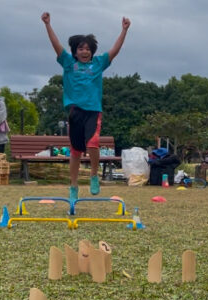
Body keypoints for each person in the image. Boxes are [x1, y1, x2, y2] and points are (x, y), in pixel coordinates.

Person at [42, 11, 130, 201]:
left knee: (93, 144)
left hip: (93, 112)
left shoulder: (98, 64)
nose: (84, 51)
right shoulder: (68, 63)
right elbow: (56, 45)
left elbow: (115, 50)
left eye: (88, 49)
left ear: (92, 51)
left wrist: (124, 31)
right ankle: (73, 186)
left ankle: (93, 176)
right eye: (81, 49)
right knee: (75, 151)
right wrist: (48, 24)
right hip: (75, 112)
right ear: (75, 51)